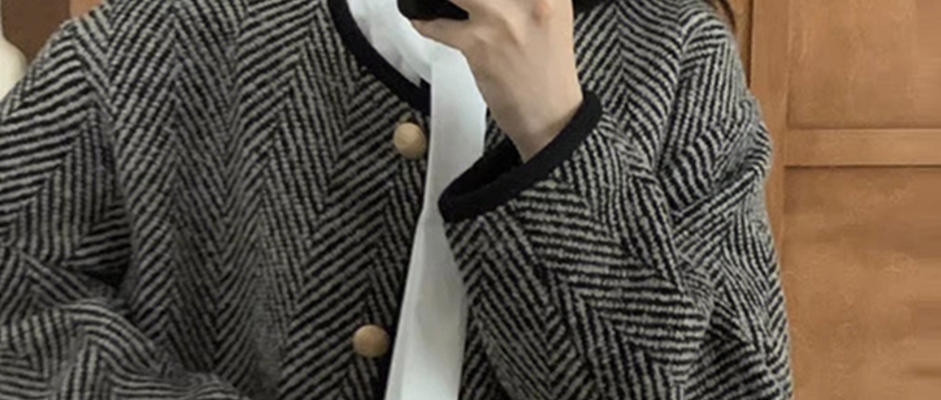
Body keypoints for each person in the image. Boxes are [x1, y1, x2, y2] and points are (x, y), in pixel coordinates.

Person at [0, 0, 792, 398]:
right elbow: (20, 300)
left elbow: (733, 384)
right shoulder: (154, 34)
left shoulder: (675, 54)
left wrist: (553, 128)